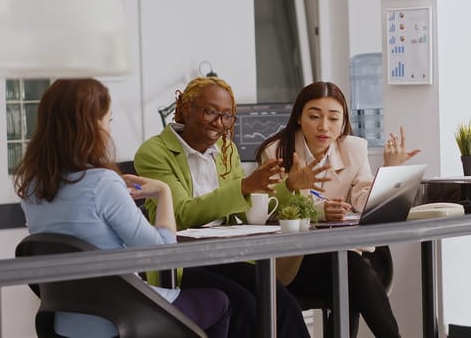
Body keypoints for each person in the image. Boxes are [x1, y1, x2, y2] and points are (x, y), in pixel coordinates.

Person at [14, 79, 230, 338]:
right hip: (124, 318)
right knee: (222, 302)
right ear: (91, 126)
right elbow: (162, 255)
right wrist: (163, 193)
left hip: (65, 324)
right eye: (108, 121)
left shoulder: (32, 188)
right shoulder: (102, 183)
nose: (109, 130)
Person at [135, 76, 330, 338]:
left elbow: (245, 209)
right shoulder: (154, 152)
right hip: (183, 263)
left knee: (282, 303)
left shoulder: (226, 149)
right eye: (210, 112)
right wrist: (243, 187)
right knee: (246, 308)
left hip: (224, 256)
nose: (219, 123)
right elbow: (182, 214)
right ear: (185, 108)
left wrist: (290, 185)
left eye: (227, 116)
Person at [255, 81, 421, 338]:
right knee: (350, 270)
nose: (324, 126)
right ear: (299, 117)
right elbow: (274, 209)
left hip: (349, 256)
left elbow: (367, 202)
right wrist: (320, 211)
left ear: (343, 123)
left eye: (334, 118)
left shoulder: (354, 149)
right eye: (314, 116)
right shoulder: (276, 152)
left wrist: (390, 171)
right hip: (295, 262)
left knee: (348, 269)